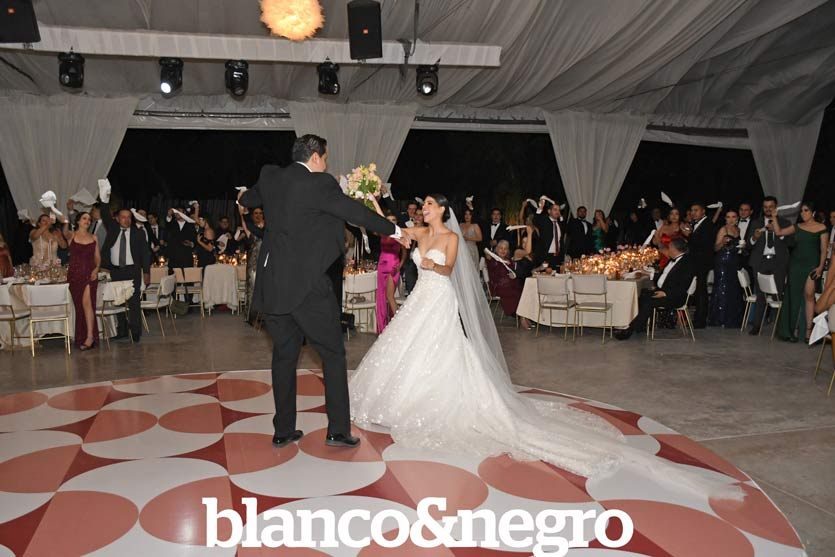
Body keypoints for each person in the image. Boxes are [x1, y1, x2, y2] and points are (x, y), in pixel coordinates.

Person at [351, 198, 740, 501]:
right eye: (423, 206)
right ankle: (402, 398)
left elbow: (448, 269)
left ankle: (436, 400)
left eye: (429, 205)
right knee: (407, 348)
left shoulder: (450, 238)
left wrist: (430, 264)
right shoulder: (419, 232)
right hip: (420, 299)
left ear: (442, 210)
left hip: (438, 299)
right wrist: (370, 199)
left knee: (440, 350)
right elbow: (391, 228)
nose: (423, 209)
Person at [238, 134, 400, 450]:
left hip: (273, 286)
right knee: (333, 355)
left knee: (284, 357)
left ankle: (283, 430)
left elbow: (248, 200)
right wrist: (394, 230)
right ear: (314, 157)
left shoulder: (270, 177)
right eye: (325, 158)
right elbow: (355, 213)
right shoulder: (319, 183)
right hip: (309, 287)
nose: (326, 165)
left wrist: (241, 197)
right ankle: (337, 430)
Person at [615, 238, 695, 340]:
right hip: (664, 291)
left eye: (669, 247)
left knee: (648, 301)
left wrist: (665, 293)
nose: (668, 249)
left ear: (675, 249)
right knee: (641, 294)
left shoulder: (686, 264)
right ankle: (641, 326)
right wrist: (646, 273)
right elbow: (663, 276)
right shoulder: (673, 260)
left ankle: (629, 330)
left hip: (674, 297)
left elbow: (683, 286)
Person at [774, 202, 828, 342]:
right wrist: (774, 217)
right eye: (801, 211)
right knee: (793, 296)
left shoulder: (821, 227)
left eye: (806, 210)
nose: (803, 213)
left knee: (809, 295)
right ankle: (790, 331)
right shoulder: (797, 226)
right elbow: (779, 232)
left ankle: (808, 331)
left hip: (812, 265)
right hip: (795, 264)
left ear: (813, 213)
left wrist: (820, 267)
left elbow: (824, 250)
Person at [101, 208, 151, 342]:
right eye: (123, 217)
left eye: (129, 217)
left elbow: (145, 253)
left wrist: (146, 272)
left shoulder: (138, 233)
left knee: (134, 302)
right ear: (117, 219)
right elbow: (105, 215)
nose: (126, 220)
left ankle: (135, 332)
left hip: (132, 270)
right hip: (116, 271)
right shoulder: (113, 231)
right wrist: (104, 202)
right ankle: (122, 331)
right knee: (119, 301)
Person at [748, 196, 793, 335]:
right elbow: (748, 244)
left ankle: (779, 327)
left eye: (771, 207)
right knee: (760, 295)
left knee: (777, 295)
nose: (768, 209)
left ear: (776, 207)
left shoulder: (784, 222)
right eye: (765, 207)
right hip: (760, 262)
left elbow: (791, 243)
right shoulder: (756, 222)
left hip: (778, 262)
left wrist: (779, 233)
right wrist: (754, 238)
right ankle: (756, 326)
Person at [64, 212, 101, 350]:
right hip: (75, 275)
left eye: (89, 219)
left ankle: (90, 337)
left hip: (90, 274)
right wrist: (65, 221)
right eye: (84, 218)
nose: (87, 221)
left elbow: (97, 257)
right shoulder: (72, 235)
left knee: (87, 303)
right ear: (78, 221)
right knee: (80, 306)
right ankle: (83, 336)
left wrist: (96, 269)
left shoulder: (94, 237)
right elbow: (65, 232)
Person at [708, 209, 743, 328]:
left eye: (733, 217)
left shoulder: (738, 230)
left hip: (733, 262)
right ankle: (720, 318)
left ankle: (730, 317)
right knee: (722, 287)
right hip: (722, 262)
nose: (731, 219)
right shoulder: (723, 230)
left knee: (732, 288)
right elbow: (715, 248)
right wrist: (722, 242)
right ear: (725, 219)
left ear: (737, 218)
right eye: (728, 217)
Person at [375, 211, 406, 334]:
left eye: (393, 220)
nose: (391, 222)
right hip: (381, 265)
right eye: (388, 220)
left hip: (393, 266)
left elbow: (404, 252)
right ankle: (383, 325)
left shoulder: (400, 235)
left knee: (389, 296)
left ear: (396, 222)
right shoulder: (382, 232)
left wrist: (400, 265)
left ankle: (400, 325)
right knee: (381, 296)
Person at [686, 202, 715, 328]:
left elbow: (704, 243)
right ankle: (698, 318)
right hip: (697, 262)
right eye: (692, 210)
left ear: (703, 211)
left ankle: (700, 320)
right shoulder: (696, 223)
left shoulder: (708, 224)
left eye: (696, 210)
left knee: (701, 291)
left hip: (702, 262)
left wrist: (689, 235)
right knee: (699, 290)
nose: (693, 213)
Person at [239, 205, 265, 324]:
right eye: (256, 213)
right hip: (253, 264)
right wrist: (242, 212)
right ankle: (250, 316)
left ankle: (263, 315)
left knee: (264, 289)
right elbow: (245, 224)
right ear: (252, 216)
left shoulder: (267, 230)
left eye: (260, 213)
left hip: (265, 263)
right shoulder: (251, 230)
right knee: (252, 288)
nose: (258, 215)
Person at [532, 199, 564, 270]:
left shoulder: (559, 224)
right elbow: (535, 221)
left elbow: (560, 240)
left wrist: (562, 257)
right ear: (549, 211)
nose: (557, 212)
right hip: (545, 257)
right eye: (555, 210)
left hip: (557, 257)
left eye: (559, 210)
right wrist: (540, 208)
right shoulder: (545, 221)